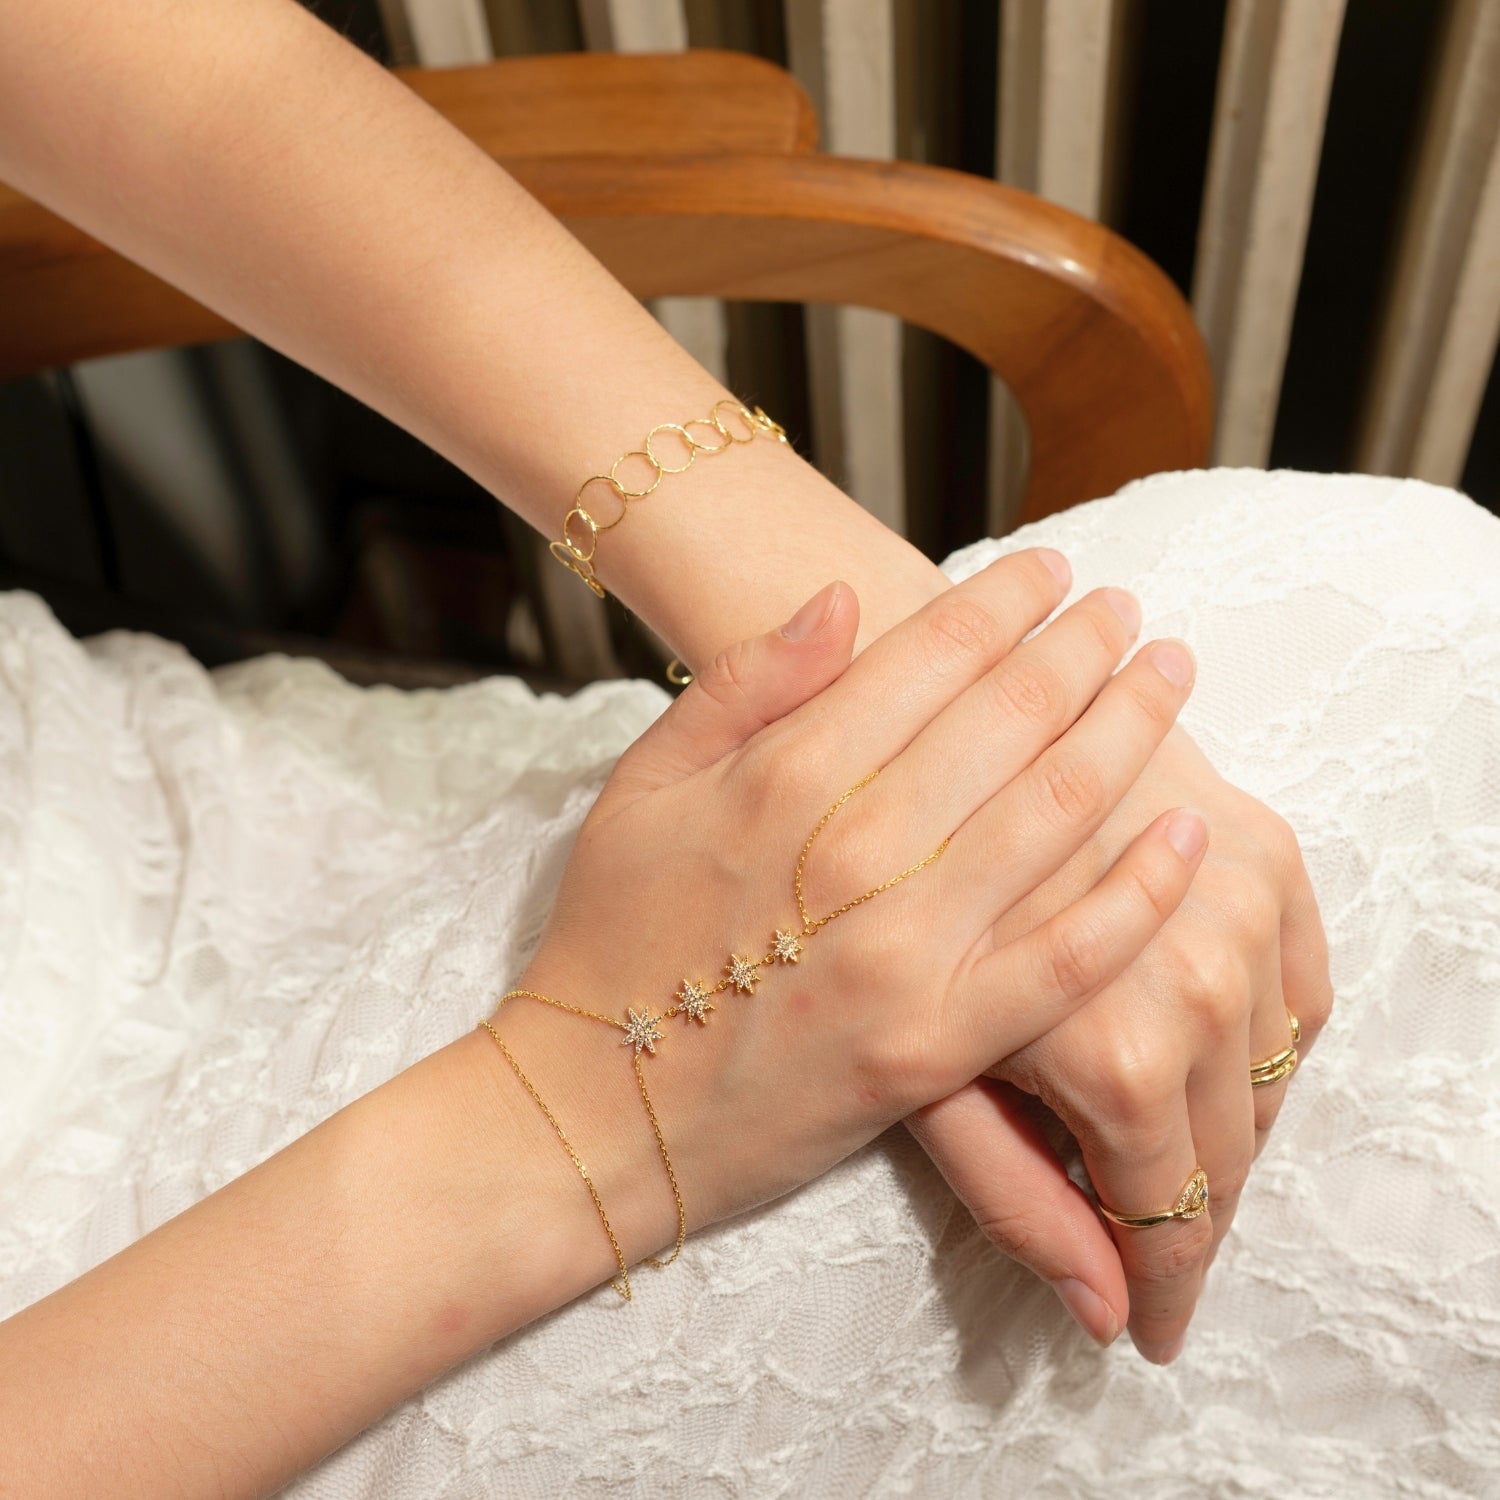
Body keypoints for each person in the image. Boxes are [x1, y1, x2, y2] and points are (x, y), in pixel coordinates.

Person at [0, 3, 1494, 1497]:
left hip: (97, 820)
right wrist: (578, 1114)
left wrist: (824, 606)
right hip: (191, 1318)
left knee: (1385, 628)